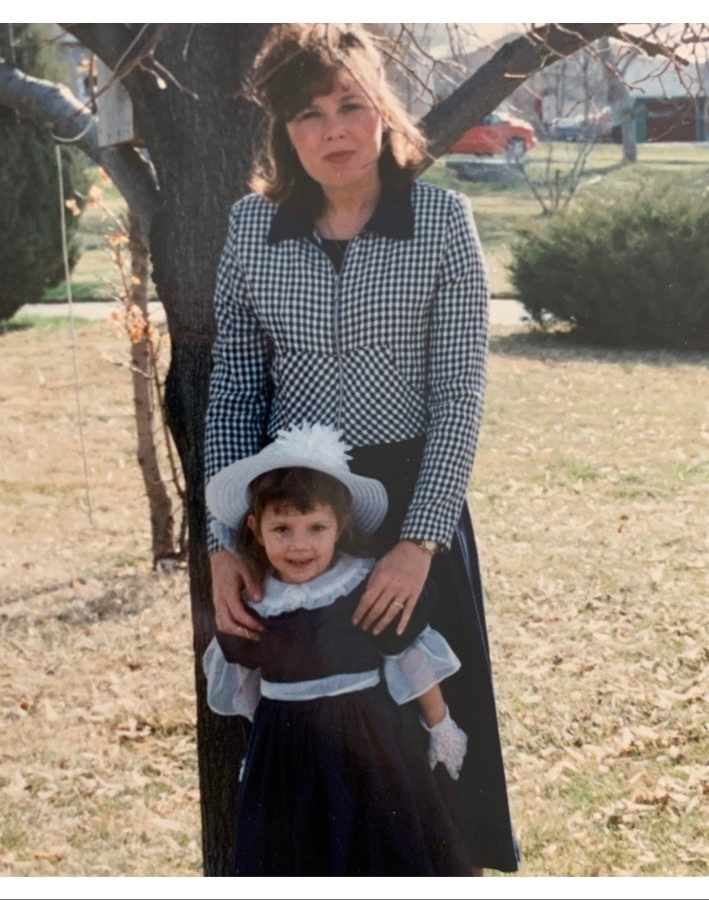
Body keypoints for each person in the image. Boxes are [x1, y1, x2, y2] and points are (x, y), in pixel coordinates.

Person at [203, 24, 519, 872]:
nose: (334, 131)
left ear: (383, 111)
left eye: (351, 105)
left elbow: (459, 397)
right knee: (305, 753)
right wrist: (221, 546)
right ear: (283, 131)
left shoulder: (443, 221)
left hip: (414, 498)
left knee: (425, 751)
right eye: (308, 114)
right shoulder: (252, 228)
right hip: (291, 514)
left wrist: (418, 545)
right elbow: (234, 388)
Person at [202, 424, 471, 875]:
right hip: (287, 750)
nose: (299, 543)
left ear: (340, 526)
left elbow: (410, 656)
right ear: (255, 528)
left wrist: (440, 724)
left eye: (316, 527)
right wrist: (261, 745)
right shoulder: (255, 602)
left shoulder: (362, 587)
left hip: (369, 743)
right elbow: (246, 684)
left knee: (379, 847)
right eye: (282, 528)